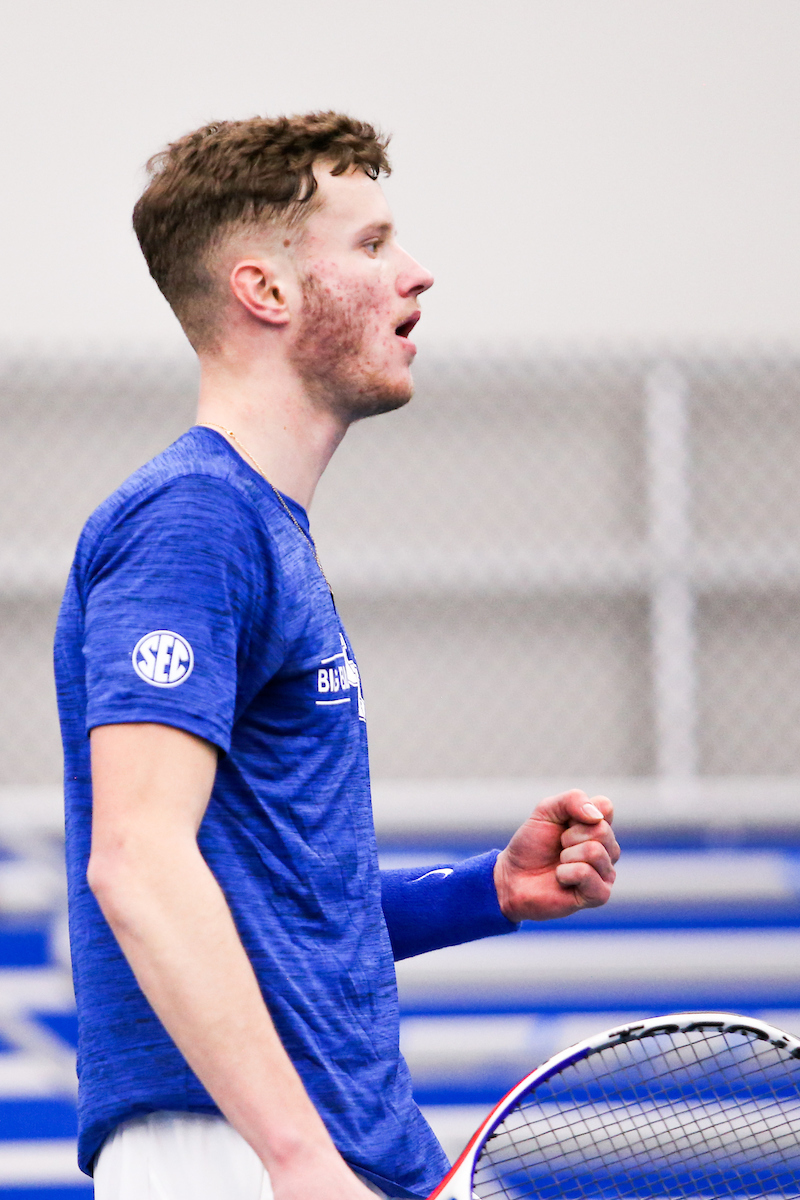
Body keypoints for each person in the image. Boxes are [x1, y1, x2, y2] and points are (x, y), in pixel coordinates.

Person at [54, 112, 619, 1200]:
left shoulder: (256, 527)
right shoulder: (195, 520)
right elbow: (137, 859)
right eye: (370, 245)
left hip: (337, 1145)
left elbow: (275, 908)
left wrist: (484, 894)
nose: (416, 274)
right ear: (265, 292)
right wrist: (296, 1159)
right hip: (237, 1151)